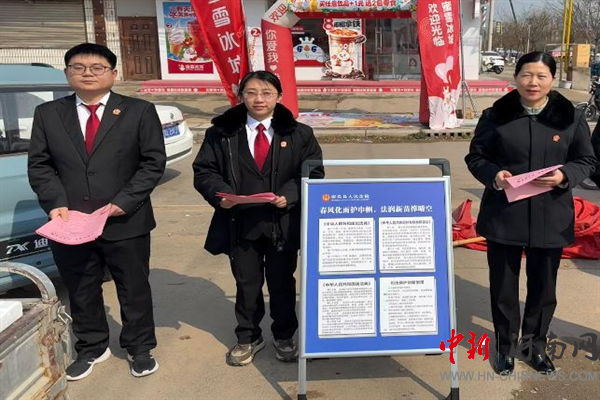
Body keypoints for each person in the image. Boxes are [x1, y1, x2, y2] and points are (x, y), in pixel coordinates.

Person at [28, 43, 166, 380]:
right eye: (79, 67)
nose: (87, 73)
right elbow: (40, 165)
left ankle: (139, 347)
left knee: (133, 287)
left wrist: (124, 201)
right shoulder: (48, 113)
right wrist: (56, 203)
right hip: (70, 222)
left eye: (97, 67)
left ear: (113, 73)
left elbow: (152, 162)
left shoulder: (138, 111)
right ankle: (91, 346)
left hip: (125, 219)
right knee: (80, 286)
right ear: (67, 73)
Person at [465, 51, 596, 376]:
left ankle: (534, 347)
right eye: (526, 75)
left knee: (543, 289)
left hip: (551, 215)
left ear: (552, 79)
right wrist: (494, 175)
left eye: (541, 76)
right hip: (504, 214)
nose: (533, 82)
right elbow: (476, 156)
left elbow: (586, 160)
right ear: (516, 77)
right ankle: (506, 348)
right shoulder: (496, 115)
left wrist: (565, 175)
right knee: (503, 289)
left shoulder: (571, 117)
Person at [193, 71, 324, 366]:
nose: (259, 99)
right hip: (240, 222)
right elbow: (204, 171)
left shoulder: (299, 133)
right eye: (251, 92)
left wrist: (290, 194)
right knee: (246, 283)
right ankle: (248, 336)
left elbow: (313, 170)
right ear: (241, 96)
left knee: (282, 282)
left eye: (266, 93)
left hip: (283, 223)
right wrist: (220, 194)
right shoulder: (222, 134)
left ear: (279, 96)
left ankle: (284, 335)